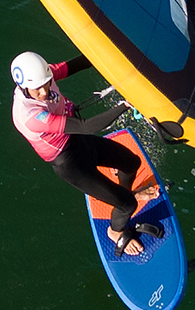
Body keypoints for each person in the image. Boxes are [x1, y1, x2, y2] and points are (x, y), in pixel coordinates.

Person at [10, 50, 159, 256]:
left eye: (46, 83)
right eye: (37, 89)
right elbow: (86, 126)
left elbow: (81, 62)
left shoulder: (44, 75)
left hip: (79, 141)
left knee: (131, 163)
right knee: (128, 205)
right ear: (23, 86)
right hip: (70, 163)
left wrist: (118, 57)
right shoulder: (31, 116)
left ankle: (124, 196)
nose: (44, 91)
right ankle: (115, 231)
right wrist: (125, 105)